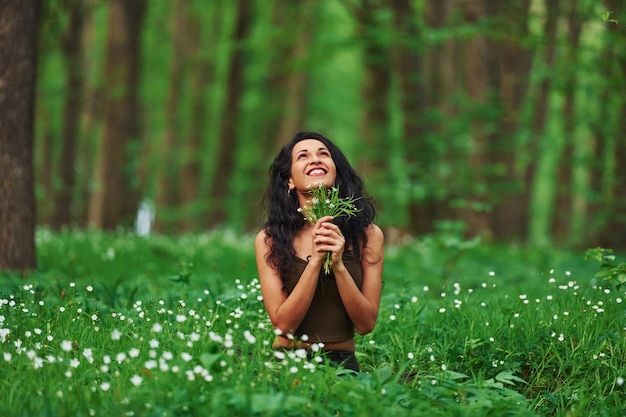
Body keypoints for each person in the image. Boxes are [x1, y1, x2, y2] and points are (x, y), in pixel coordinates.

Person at [255, 131, 384, 372]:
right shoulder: (270, 239)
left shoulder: (367, 235)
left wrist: (338, 266)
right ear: (289, 180)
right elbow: (283, 326)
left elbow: (366, 324)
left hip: (342, 364)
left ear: (335, 171)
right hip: (288, 362)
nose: (315, 159)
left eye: (323, 154)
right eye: (303, 156)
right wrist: (316, 261)